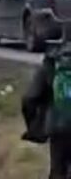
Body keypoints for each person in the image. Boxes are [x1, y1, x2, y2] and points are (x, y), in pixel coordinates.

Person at [22, 30, 71, 179]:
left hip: (58, 127)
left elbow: (29, 98)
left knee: (58, 170)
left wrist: (34, 126)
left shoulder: (51, 63)